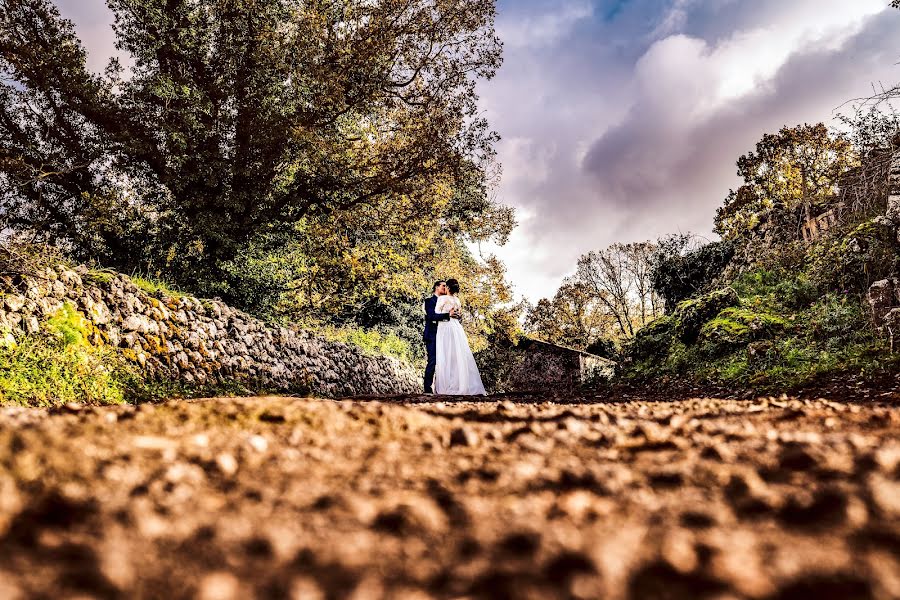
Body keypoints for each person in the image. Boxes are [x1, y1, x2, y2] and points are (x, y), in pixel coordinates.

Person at [434, 278, 486, 395]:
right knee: (457, 356)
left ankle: (448, 385)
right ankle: (460, 383)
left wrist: (448, 314)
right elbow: (459, 315)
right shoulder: (457, 300)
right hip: (456, 327)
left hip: (445, 328)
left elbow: (436, 313)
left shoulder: (442, 299)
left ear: (447, 287)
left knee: (445, 355)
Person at [423, 280, 459, 394]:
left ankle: (444, 388)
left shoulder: (448, 300)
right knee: (433, 361)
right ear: (436, 287)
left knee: (447, 361)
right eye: (443, 286)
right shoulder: (429, 301)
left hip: (446, 334)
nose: (445, 288)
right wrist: (447, 315)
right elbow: (431, 316)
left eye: (446, 286)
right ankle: (428, 389)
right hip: (433, 335)